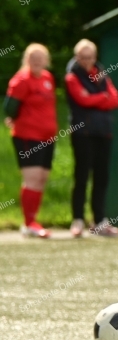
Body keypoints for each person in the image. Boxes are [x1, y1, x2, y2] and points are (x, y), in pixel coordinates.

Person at [65, 39, 118, 238]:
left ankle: (99, 220)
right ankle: (78, 219)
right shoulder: (72, 77)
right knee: (81, 176)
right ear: (77, 57)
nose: (86, 61)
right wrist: (102, 98)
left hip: (103, 132)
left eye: (90, 57)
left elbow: (116, 99)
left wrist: (96, 99)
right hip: (83, 133)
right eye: (82, 58)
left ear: (95, 57)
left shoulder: (102, 75)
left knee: (102, 177)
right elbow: (82, 99)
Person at [3, 43, 58, 238]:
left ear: (46, 60)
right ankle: (29, 223)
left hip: (48, 137)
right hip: (28, 136)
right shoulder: (21, 81)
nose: (37, 61)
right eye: (33, 57)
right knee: (32, 178)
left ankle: (33, 220)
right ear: (27, 60)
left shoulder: (47, 78)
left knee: (42, 178)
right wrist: (13, 118)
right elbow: (9, 108)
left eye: (40, 57)